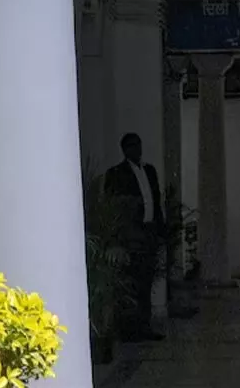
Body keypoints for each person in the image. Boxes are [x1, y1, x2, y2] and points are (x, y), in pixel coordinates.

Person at [103, 132, 166, 342]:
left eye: (138, 145)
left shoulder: (149, 171)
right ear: (124, 150)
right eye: (131, 146)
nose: (136, 150)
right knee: (131, 283)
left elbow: (156, 200)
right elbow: (113, 206)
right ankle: (129, 329)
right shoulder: (116, 173)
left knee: (146, 281)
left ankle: (145, 326)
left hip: (149, 232)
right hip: (131, 236)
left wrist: (160, 230)